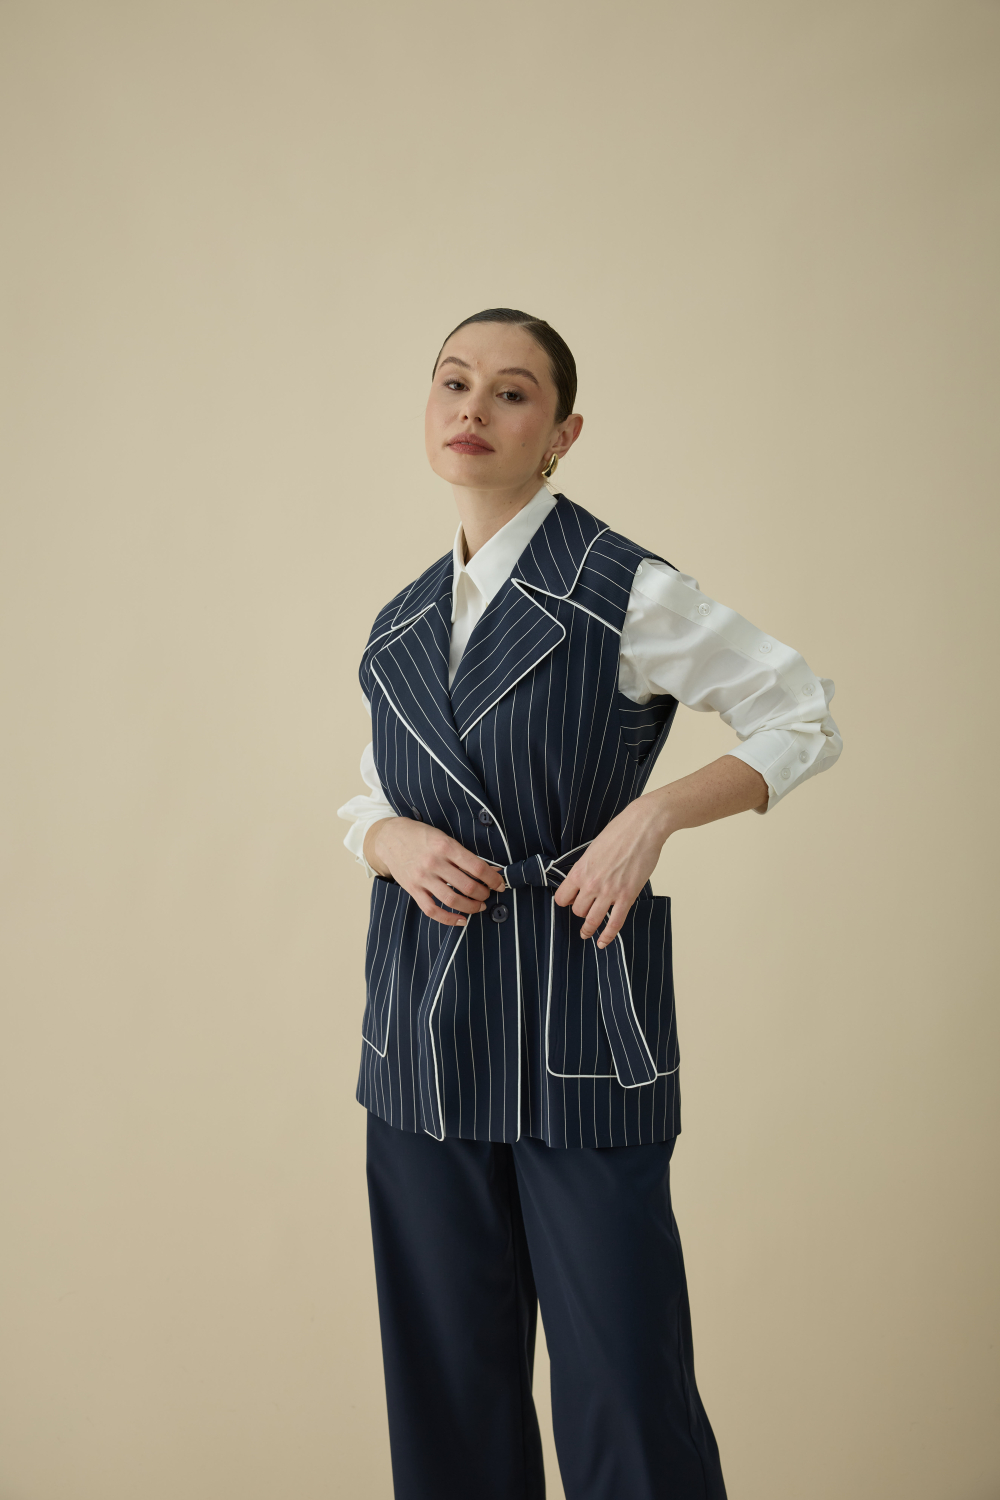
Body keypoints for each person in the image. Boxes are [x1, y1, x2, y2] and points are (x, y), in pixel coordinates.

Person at [337, 308, 842, 1500]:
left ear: (561, 433)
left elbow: (800, 715)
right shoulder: (401, 620)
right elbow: (373, 791)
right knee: (446, 1385)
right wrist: (386, 837)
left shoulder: (622, 587)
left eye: (511, 392)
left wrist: (652, 816)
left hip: (577, 1009)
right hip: (421, 1020)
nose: (473, 408)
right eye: (452, 382)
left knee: (623, 1384)